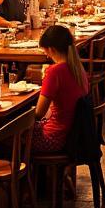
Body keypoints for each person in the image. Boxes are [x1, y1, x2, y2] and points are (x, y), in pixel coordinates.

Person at [32, 24, 90, 154]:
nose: (46, 56)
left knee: (10, 137)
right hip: (73, 134)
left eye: (45, 51)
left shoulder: (55, 72)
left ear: (51, 49)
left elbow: (39, 113)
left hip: (55, 138)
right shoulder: (78, 68)